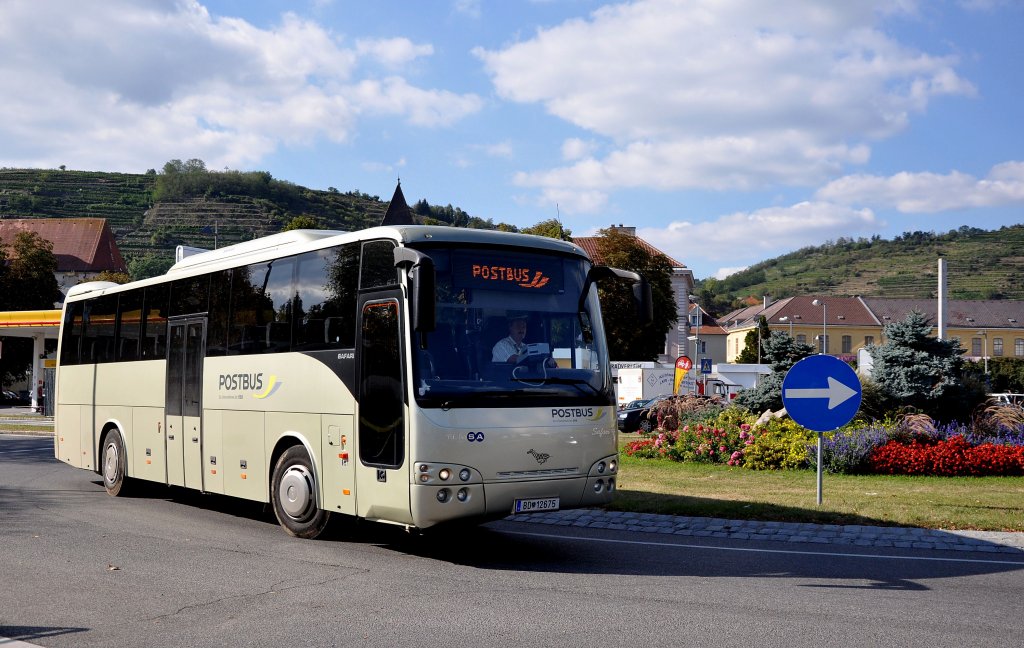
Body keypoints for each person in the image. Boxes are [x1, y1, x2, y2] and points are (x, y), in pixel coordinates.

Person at [492, 313, 556, 367]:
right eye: (518, 326)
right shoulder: (501, 345)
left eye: (524, 327)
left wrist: (548, 361)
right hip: (502, 380)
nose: (521, 330)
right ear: (510, 327)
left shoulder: (525, 347)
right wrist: (541, 358)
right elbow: (514, 359)